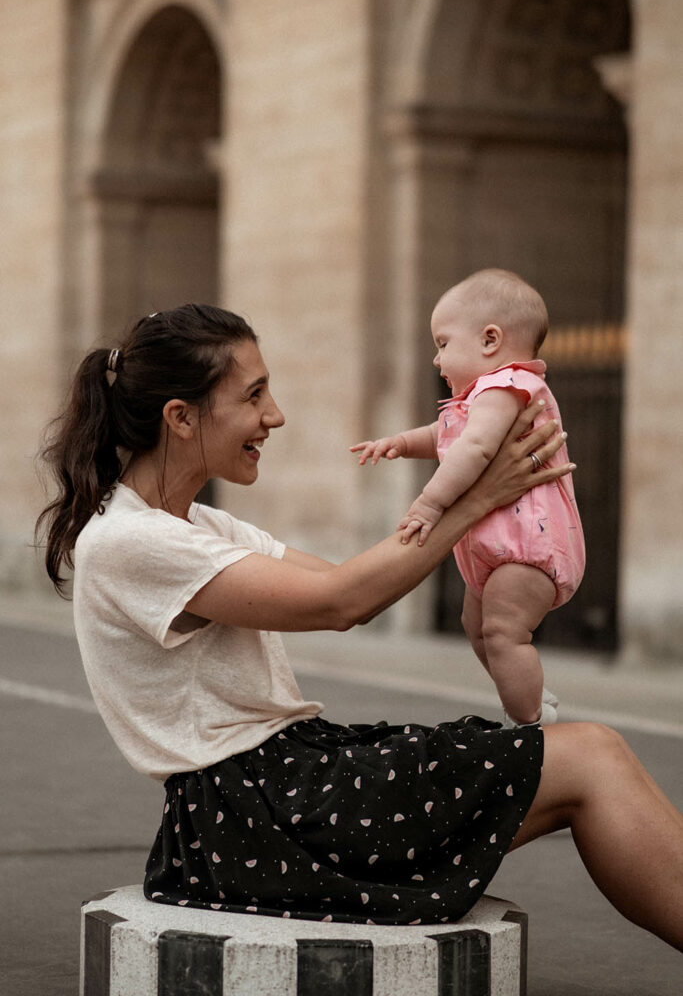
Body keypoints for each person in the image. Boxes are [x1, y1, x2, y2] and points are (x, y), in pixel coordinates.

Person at [36, 303, 682, 948]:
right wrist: (477, 499)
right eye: (254, 394)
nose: (275, 414)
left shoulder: (197, 526)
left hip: (280, 789)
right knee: (591, 756)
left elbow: (353, 581)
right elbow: (339, 602)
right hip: (259, 814)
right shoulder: (132, 540)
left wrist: (481, 500)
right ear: (180, 417)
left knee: (588, 754)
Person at [351, 269, 585, 727]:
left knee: (502, 632)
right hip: (501, 551)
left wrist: (429, 505)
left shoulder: (507, 386)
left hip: (527, 550)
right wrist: (401, 442)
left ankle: (530, 723)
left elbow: (474, 449)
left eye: (442, 343)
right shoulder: (481, 399)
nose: (437, 360)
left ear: (490, 340)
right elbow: (445, 434)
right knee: (477, 627)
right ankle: (530, 694)